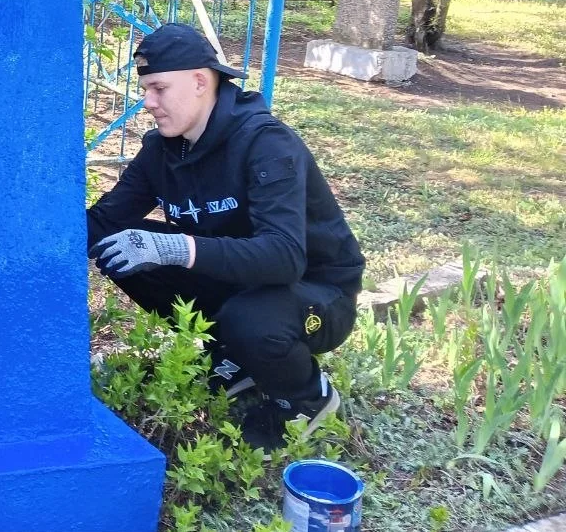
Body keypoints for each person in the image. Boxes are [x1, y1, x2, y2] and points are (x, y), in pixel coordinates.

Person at [87, 24, 364, 457]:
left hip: (317, 292)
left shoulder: (266, 143)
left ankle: (306, 398)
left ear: (200, 81)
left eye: (159, 88)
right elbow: (102, 221)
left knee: (247, 319)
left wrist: (175, 248)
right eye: (145, 89)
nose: (148, 103)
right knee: (117, 245)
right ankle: (232, 361)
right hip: (243, 282)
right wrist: (24, 245)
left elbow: (285, 257)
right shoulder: (164, 150)